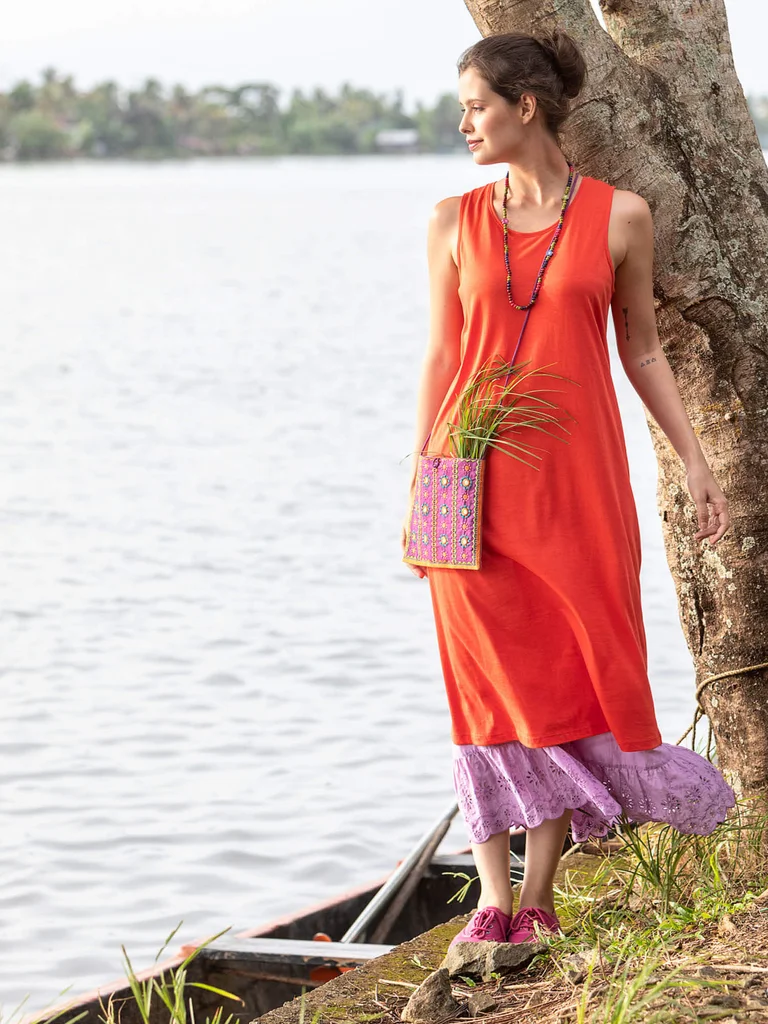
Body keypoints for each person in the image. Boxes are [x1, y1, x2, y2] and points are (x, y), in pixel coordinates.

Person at [401, 29, 736, 947]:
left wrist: (697, 459)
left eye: (476, 105)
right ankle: (491, 898)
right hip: (469, 485)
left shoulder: (621, 217)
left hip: (578, 486)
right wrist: (422, 486)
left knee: (566, 675)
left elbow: (643, 349)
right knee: (484, 686)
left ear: (527, 108)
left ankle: (538, 898)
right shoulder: (450, 221)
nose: (464, 121)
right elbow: (439, 356)